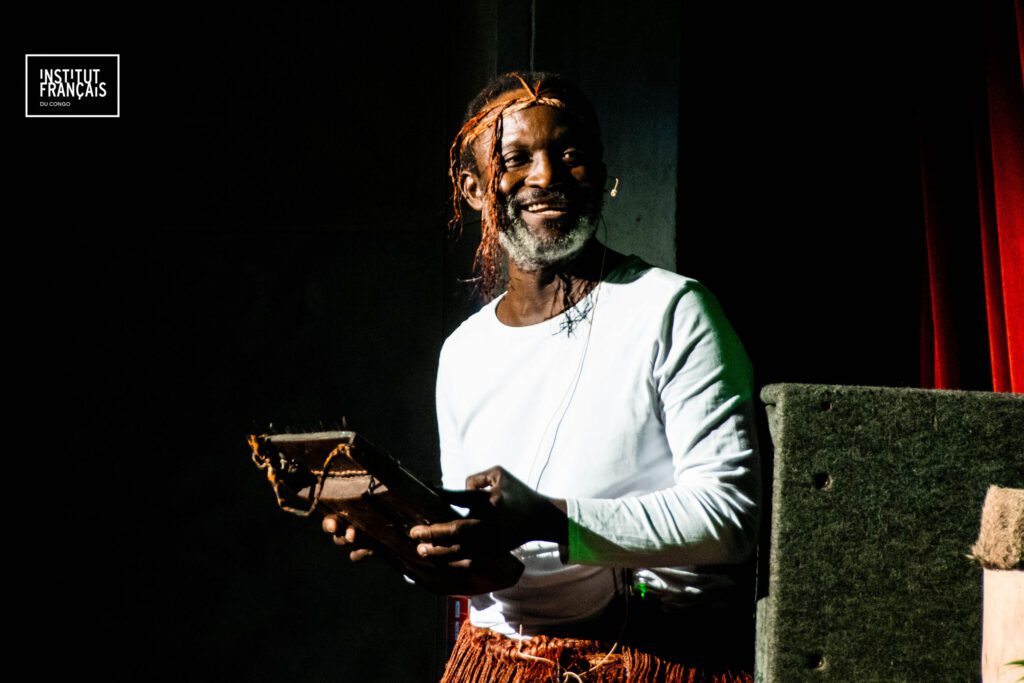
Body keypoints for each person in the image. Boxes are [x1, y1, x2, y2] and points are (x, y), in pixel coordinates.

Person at [323, 72, 760, 682]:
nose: (547, 175)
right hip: (501, 661)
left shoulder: (670, 309)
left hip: (646, 656)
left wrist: (552, 519)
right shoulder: (465, 351)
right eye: (515, 159)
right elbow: (489, 565)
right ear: (474, 190)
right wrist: (407, 544)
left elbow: (730, 518)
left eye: (570, 154)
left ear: (599, 173)